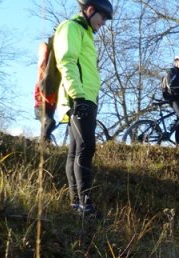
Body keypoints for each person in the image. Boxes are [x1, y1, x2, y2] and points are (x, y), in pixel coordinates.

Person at [54, 0, 113, 215]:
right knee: (87, 147)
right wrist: (78, 96)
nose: (104, 23)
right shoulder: (72, 27)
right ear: (90, 10)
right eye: (103, 17)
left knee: (76, 150)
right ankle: (85, 204)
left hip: (86, 97)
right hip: (79, 97)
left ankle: (76, 203)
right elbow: (67, 62)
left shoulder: (85, 33)